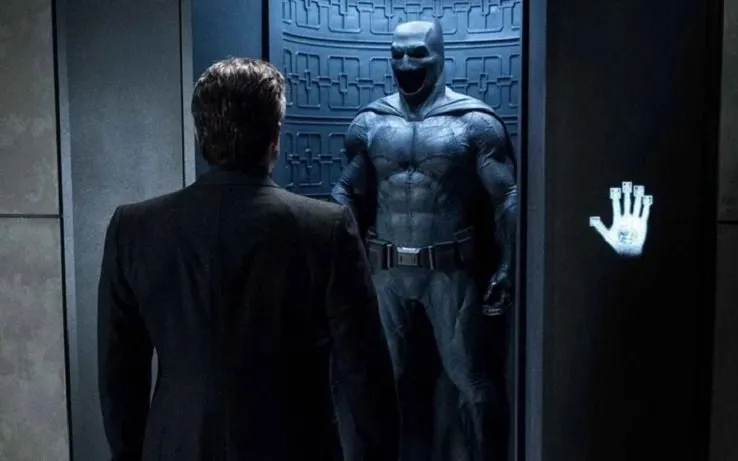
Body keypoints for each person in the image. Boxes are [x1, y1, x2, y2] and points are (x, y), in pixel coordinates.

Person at [97, 57, 399, 461]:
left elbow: (119, 376)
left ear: (200, 132)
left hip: (177, 445)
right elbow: (364, 374)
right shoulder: (326, 228)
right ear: (275, 135)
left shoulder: (134, 228)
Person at [331, 20, 518, 461]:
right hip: (385, 271)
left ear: (440, 57)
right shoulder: (370, 122)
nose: (405, 63)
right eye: (397, 54)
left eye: (417, 53)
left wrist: (508, 264)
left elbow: (507, 197)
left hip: (448, 270)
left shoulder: (474, 122)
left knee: (470, 379)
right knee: (375, 378)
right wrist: (340, 258)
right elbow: (346, 191)